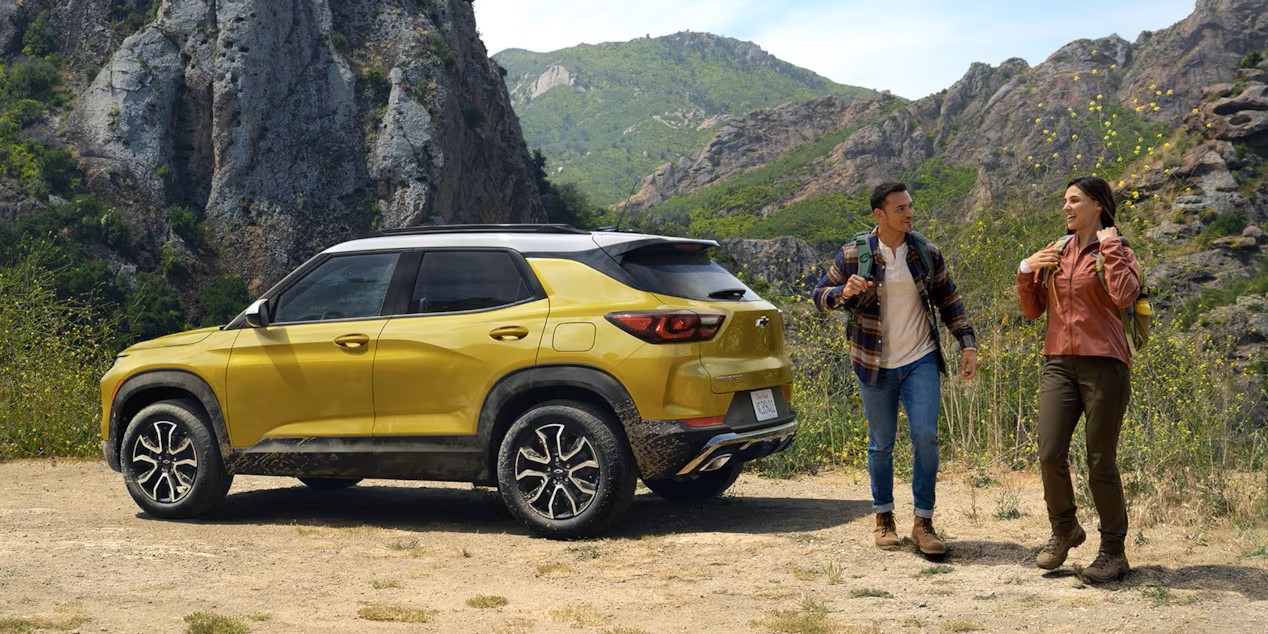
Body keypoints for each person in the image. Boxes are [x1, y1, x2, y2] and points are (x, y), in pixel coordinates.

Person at [813, 181, 979, 555]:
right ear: (880, 214)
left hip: (919, 358)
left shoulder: (925, 252)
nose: (909, 214)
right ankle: (883, 518)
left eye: (910, 207)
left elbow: (950, 301)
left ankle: (923, 522)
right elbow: (819, 296)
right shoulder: (853, 255)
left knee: (926, 436)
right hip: (873, 362)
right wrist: (843, 293)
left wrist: (967, 344)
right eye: (900, 209)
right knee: (881, 444)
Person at [1016, 176, 1141, 583]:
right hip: (1058, 363)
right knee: (1050, 452)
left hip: (1105, 363)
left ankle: (1113, 552)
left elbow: (1124, 295)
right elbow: (1033, 311)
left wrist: (1109, 245)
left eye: (1074, 201)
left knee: (1100, 460)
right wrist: (1025, 270)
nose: (1066, 207)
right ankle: (1065, 529)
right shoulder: (1057, 251)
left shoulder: (1117, 250)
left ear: (1098, 206)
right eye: (1064, 201)